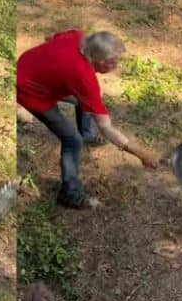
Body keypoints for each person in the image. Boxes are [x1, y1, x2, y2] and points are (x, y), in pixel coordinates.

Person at [17, 29, 161, 209]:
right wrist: (141, 153)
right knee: (72, 140)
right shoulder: (84, 78)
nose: (115, 66)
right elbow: (106, 127)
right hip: (29, 89)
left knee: (82, 101)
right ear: (99, 60)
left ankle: (86, 134)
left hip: (27, 64)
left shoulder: (78, 37)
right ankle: (70, 195)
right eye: (112, 62)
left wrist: (53, 63)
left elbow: (51, 36)